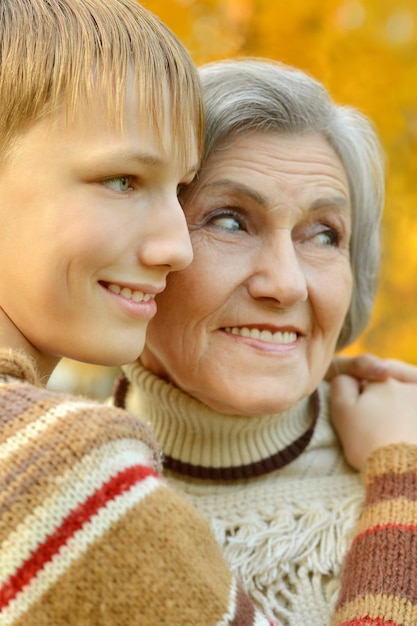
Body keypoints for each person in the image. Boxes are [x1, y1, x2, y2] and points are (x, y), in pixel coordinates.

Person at [0, 4, 280, 624]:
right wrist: (400, 489)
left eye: (181, 192)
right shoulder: (57, 473)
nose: (176, 248)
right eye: (122, 180)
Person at [112, 57, 417, 625]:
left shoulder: (403, 454)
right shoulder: (46, 488)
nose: (286, 283)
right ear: (142, 249)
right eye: (230, 221)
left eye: (324, 234)